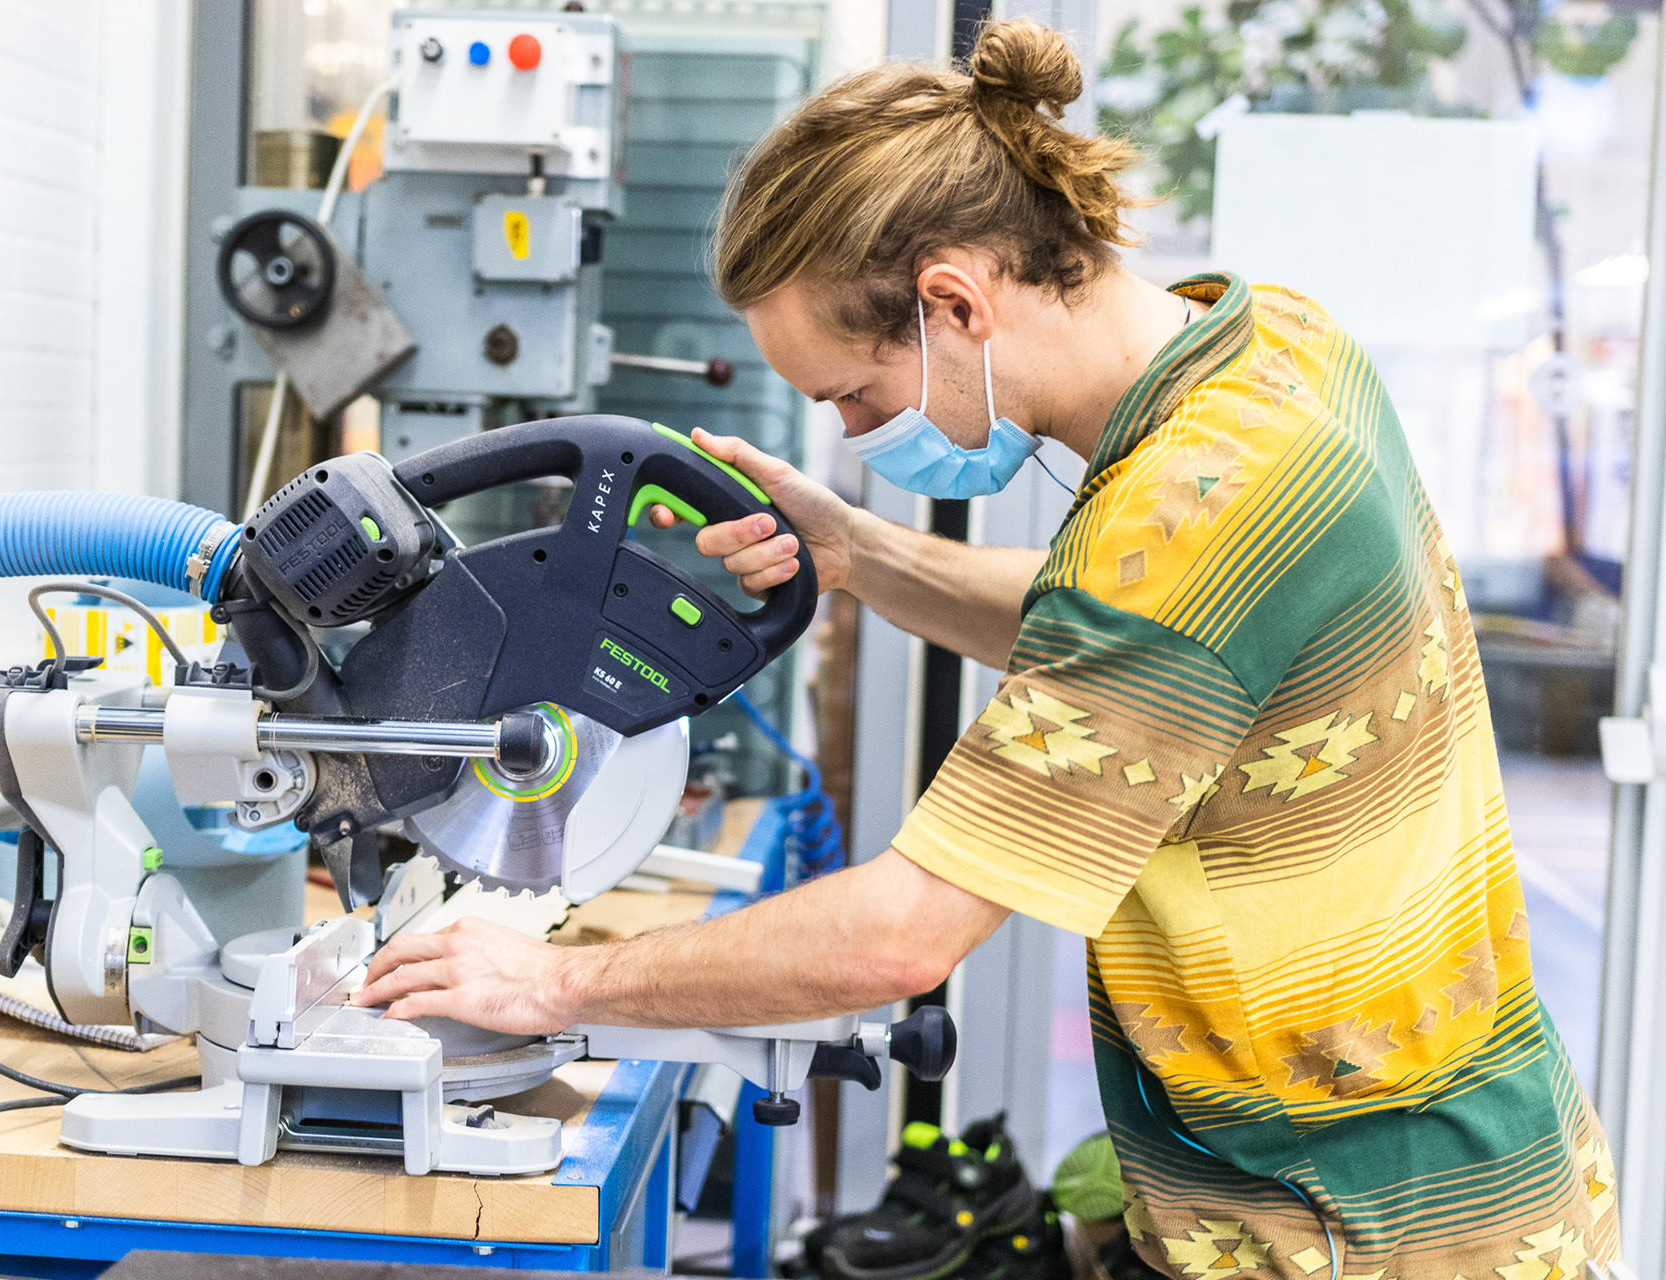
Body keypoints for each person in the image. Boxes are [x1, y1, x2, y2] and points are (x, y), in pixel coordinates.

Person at [356, 18, 1618, 1279]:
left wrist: (553, 981)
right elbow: (1133, 643)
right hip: (1414, 1162)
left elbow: (904, 933)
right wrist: (858, 552)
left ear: (953, 304)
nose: (858, 432)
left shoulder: (1196, 508)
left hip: (1372, 1221)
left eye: (854, 395)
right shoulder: (1270, 342)